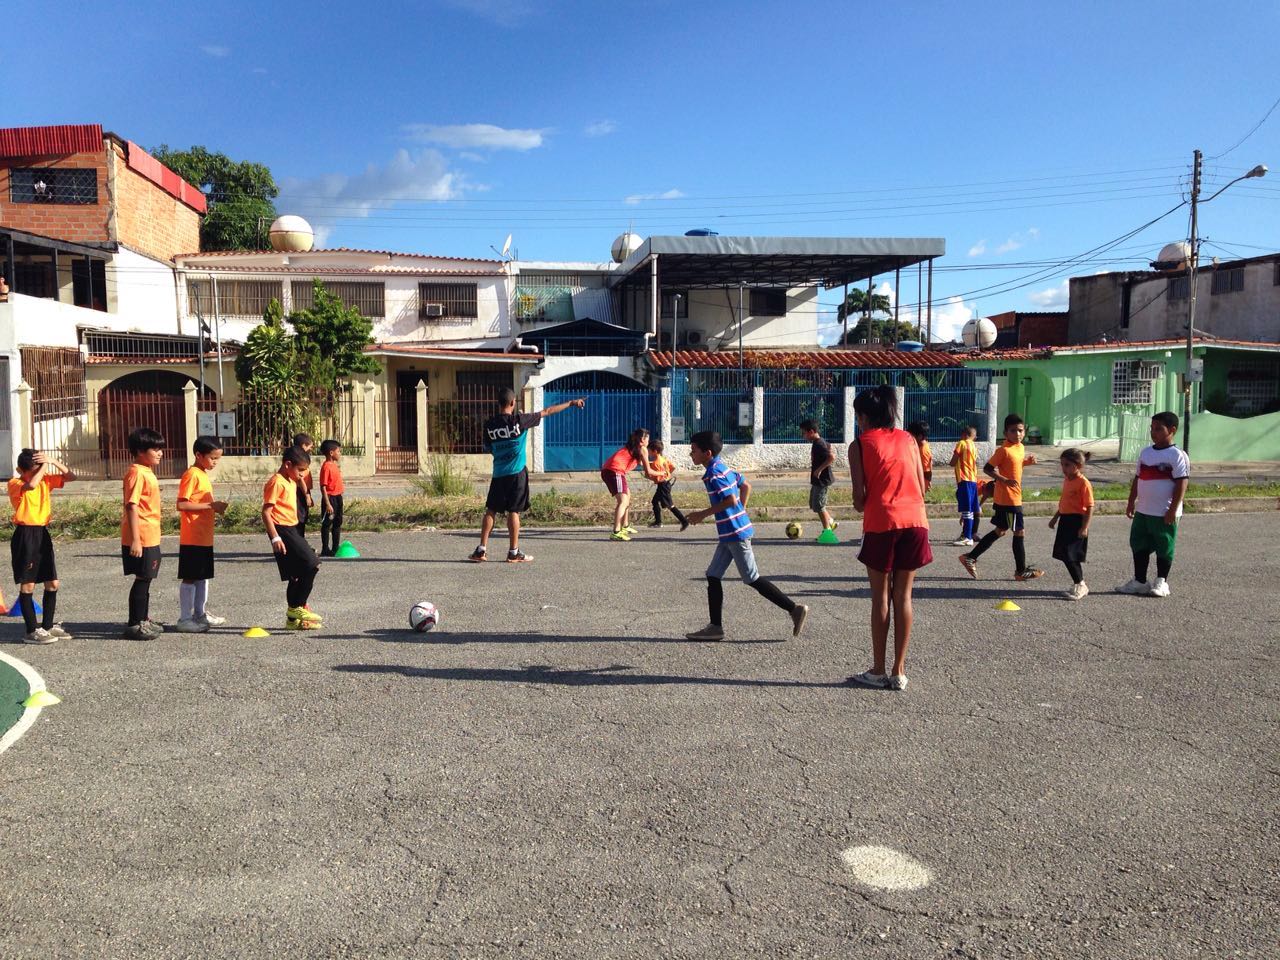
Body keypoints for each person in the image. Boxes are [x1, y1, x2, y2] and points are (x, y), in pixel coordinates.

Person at [684, 431, 808, 642]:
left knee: (752, 578)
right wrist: (742, 510)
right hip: (730, 533)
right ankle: (715, 627)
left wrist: (701, 515)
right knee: (713, 575)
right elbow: (745, 485)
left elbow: (731, 500)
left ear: (707, 453)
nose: (690, 454)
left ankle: (794, 609)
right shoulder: (724, 467)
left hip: (735, 533)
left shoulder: (714, 474)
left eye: (693, 450)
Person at [847, 386, 931, 691]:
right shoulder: (909, 439)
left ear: (864, 416)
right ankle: (899, 670)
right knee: (903, 596)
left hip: (882, 522)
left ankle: (878, 669)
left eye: (858, 415)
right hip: (916, 522)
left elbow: (859, 499)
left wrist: (867, 501)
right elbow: (922, 487)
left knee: (880, 597)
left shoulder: (860, 445)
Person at [469, 387, 585, 563]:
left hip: (499, 473)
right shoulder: (520, 420)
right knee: (513, 511)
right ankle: (513, 552)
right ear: (513, 403)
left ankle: (481, 550)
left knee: (491, 510)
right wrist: (570, 403)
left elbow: (490, 449)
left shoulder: (490, 425)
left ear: (499, 404)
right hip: (516, 474)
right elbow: (546, 411)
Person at [959, 414, 1042, 581]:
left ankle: (970, 557)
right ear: (1005, 432)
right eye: (1013, 431)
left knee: (1000, 531)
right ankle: (1020, 571)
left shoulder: (1020, 448)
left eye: (1020, 430)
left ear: (1024, 432)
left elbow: (1014, 464)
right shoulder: (1003, 450)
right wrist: (1004, 480)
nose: (1017, 434)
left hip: (1012, 497)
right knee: (1019, 531)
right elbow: (988, 468)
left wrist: (1027, 462)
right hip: (1009, 499)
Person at [8, 449, 76, 644]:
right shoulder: (15, 483)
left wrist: (52, 460)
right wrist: (43, 466)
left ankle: (47, 626)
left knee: (52, 582)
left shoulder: (44, 479)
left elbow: (71, 476)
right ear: (20, 470)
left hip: (42, 533)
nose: (40, 472)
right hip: (25, 535)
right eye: (34, 470)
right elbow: (31, 484)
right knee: (28, 584)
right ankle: (31, 630)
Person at [1117, 412, 1189, 598]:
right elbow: (1138, 478)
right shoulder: (1146, 453)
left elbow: (1182, 484)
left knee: (1164, 545)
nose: (1153, 432)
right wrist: (1131, 501)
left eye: (1158, 429)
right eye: (1152, 428)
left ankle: (1161, 582)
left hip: (1164, 511)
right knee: (1138, 543)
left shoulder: (1177, 455)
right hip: (1144, 509)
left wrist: (1173, 509)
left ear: (1172, 430)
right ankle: (1140, 581)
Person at [263, 446, 322, 629]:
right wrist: (275, 538)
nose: (303, 474)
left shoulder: (291, 479)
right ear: (288, 464)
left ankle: (293, 621)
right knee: (312, 563)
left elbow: (300, 482)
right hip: (282, 529)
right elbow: (266, 512)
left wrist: (306, 493)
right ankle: (297, 607)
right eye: (301, 470)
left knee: (296, 574)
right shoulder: (277, 482)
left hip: (292, 528)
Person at [175, 436, 230, 633]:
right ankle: (185, 618)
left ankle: (200, 614)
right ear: (199, 455)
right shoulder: (192, 474)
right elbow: (181, 504)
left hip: (204, 535)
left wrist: (214, 508)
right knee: (190, 577)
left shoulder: (202, 474)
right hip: (193, 536)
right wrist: (210, 505)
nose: (215, 462)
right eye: (213, 458)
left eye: (218, 459)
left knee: (202, 576)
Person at [121, 427, 166, 641]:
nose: (160, 453)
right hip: (142, 535)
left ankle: (144, 619)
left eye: (160, 449)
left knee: (147, 578)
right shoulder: (137, 472)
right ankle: (135, 624)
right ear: (140, 450)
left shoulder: (146, 471)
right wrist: (136, 540)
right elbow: (132, 505)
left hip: (151, 533)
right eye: (155, 449)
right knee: (142, 578)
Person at [601, 427, 664, 541]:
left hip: (611, 470)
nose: (648, 442)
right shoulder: (642, 448)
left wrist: (655, 465)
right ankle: (616, 531)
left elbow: (643, 463)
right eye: (647, 440)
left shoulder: (633, 447)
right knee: (623, 501)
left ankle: (625, 526)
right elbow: (648, 472)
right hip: (614, 471)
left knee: (627, 497)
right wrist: (663, 472)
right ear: (642, 440)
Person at [1048, 448, 1093, 601]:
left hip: (1077, 521)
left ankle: (1081, 584)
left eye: (1067, 465)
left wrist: (1084, 527)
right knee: (1063, 553)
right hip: (1065, 520)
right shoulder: (1068, 480)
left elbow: (1090, 506)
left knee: (1071, 554)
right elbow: (1064, 501)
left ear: (1078, 465)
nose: (1063, 468)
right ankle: (1078, 582)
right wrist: (1055, 518)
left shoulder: (1083, 483)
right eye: (1062, 464)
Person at [800, 419, 836, 532]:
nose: (803, 436)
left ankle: (827, 531)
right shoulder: (818, 442)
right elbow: (829, 446)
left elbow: (831, 457)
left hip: (822, 480)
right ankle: (831, 522)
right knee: (814, 504)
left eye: (804, 433)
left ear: (811, 431)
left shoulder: (819, 443)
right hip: (817, 480)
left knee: (819, 506)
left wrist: (819, 469)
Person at [645, 438, 689, 530]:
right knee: (655, 501)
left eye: (649, 451)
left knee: (670, 505)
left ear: (655, 451)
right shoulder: (663, 459)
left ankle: (684, 521)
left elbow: (656, 478)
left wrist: (648, 476)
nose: (648, 453)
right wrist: (667, 475)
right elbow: (672, 467)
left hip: (663, 486)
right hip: (666, 483)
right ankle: (658, 522)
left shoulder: (656, 463)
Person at [949, 425, 979, 546]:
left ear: (964, 434)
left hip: (964, 479)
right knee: (970, 509)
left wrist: (952, 463)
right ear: (974, 436)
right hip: (973, 480)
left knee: (966, 509)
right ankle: (968, 534)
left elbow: (953, 461)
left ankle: (967, 537)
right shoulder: (974, 446)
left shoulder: (961, 443)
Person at [318, 439, 345, 557]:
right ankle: (325, 549)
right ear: (331, 453)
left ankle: (335, 547)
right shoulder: (326, 467)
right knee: (327, 523)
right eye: (338, 451)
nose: (339, 453)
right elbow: (323, 487)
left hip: (338, 497)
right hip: (330, 499)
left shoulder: (334, 465)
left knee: (337, 522)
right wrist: (328, 504)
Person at [292, 433, 315, 539]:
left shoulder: (300, 457)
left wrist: (308, 494)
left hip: (303, 491)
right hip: (298, 492)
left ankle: (300, 542)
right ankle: (298, 543)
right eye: (309, 446)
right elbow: (300, 479)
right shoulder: (298, 458)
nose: (311, 449)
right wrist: (306, 495)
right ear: (303, 445)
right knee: (299, 518)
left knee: (303, 517)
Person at [906, 420, 933, 493]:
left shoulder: (923, 450)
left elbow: (927, 471)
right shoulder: (920, 446)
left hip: (919, 486)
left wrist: (925, 485)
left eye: (911, 435)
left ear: (920, 436)